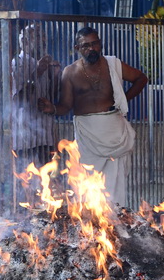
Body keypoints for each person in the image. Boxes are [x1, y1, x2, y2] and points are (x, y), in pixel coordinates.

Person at [38, 27, 148, 204]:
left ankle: (116, 220)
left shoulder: (113, 64)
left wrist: (123, 99)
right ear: (77, 48)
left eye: (95, 44)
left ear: (100, 44)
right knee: (89, 187)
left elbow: (142, 78)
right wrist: (53, 109)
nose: (92, 49)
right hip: (88, 137)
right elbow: (66, 105)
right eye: (86, 45)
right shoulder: (70, 72)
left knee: (115, 186)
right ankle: (94, 225)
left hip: (114, 132)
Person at [11, 24, 60, 166]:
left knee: (48, 180)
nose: (43, 42)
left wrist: (56, 76)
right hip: (25, 137)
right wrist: (37, 72)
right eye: (38, 38)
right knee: (27, 182)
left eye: (44, 39)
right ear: (25, 42)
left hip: (45, 135)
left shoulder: (45, 63)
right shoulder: (17, 63)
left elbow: (52, 97)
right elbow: (18, 101)